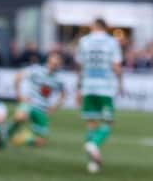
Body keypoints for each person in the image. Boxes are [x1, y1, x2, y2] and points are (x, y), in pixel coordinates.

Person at [75, 18, 123, 173]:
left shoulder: (84, 41)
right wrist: (121, 82)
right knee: (108, 122)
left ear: (93, 26)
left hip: (88, 86)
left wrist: (79, 87)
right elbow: (116, 66)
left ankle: (92, 163)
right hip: (105, 88)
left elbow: (80, 66)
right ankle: (94, 144)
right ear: (105, 27)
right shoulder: (112, 42)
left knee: (91, 123)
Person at [7, 51, 66, 146]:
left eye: (57, 64)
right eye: (53, 62)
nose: (54, 65)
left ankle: (22, 137)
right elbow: (18, 76)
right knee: (20, 117)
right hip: (30, 103)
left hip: (42, 110)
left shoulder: (59, 80)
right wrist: (19, 95)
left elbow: (64, 95)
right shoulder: (36, 70)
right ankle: (6, 134)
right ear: (48, 61)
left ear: (60, 65)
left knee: (40, 142)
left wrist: (54, 107)